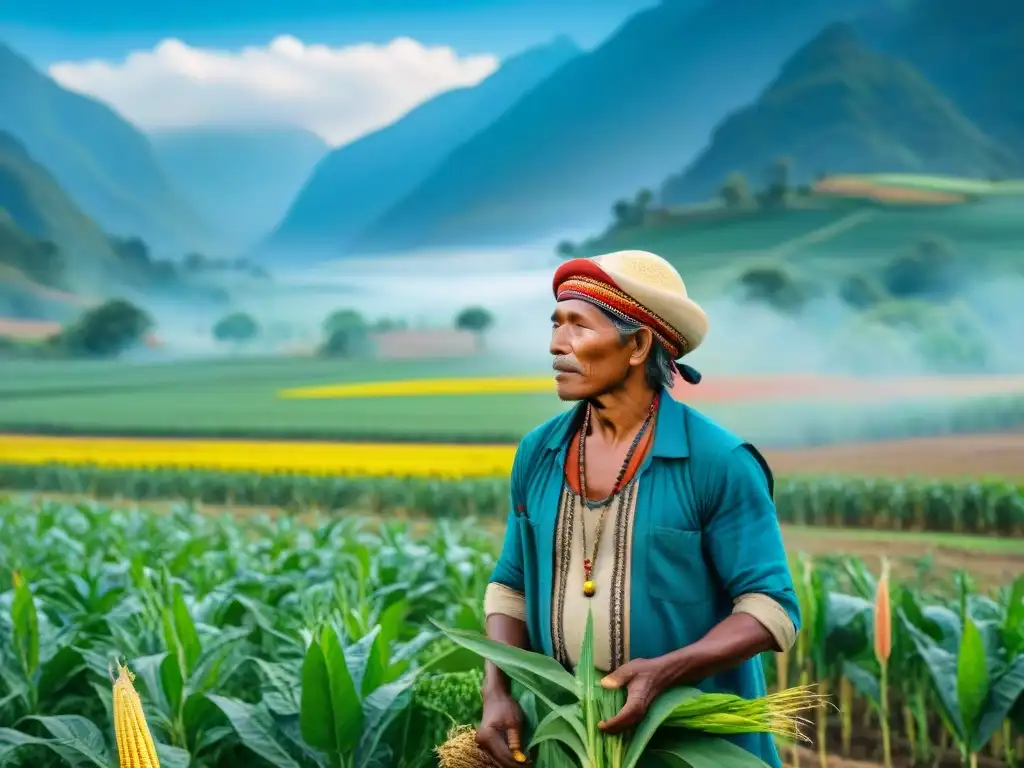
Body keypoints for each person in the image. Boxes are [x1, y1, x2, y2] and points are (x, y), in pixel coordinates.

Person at [477, 249, 800, 768]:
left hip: (687, 748)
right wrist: (498, 691)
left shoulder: (718, 462)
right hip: (568, 741)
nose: (557, 345)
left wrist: (669, 670)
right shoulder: (538, 453)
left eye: (579, 326)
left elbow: (770, 609)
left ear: (638, 345)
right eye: (555, 324)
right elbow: (509, 587)